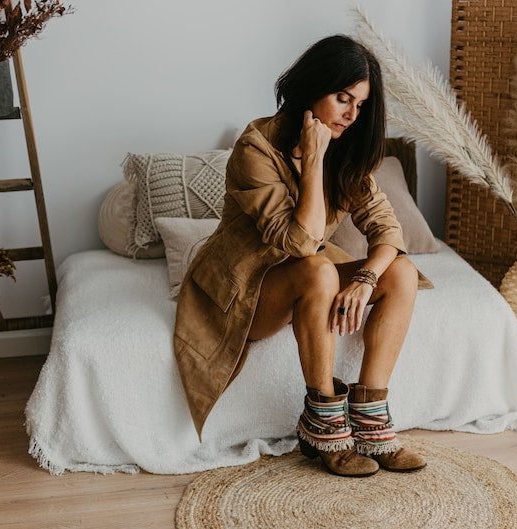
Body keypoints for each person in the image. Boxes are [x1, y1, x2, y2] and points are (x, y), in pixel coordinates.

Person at [173, 35, 426, 477]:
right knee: (318, 270)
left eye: (360, 105)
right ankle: (323, 423)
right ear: (312, 89)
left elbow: (388, 230)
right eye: (342, 98)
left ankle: (371, 422)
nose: (351, 114)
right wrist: (312, 162)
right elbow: (300, 243)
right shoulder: (256, 148)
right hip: (244, 286)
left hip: (302, 271)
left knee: (401, 271)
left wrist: (366, 278)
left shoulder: (345, 150)